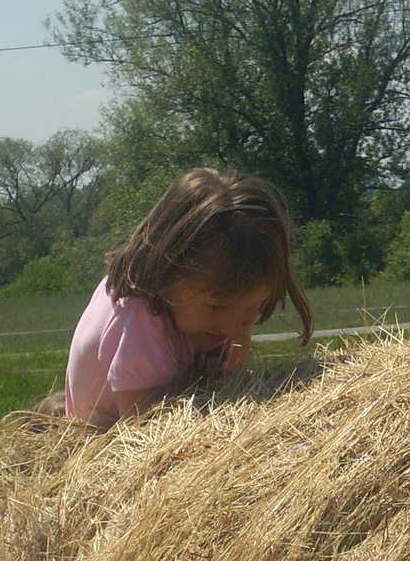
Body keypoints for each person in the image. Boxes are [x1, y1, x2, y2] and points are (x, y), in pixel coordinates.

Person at [64, 166, 314, 426]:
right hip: (106, 450)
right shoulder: (138, 321)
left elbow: (234, 380)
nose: (231, 328)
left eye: (251, 309)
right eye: (215, 307)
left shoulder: (201, 306)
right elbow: (142, 433)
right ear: (167, 271)